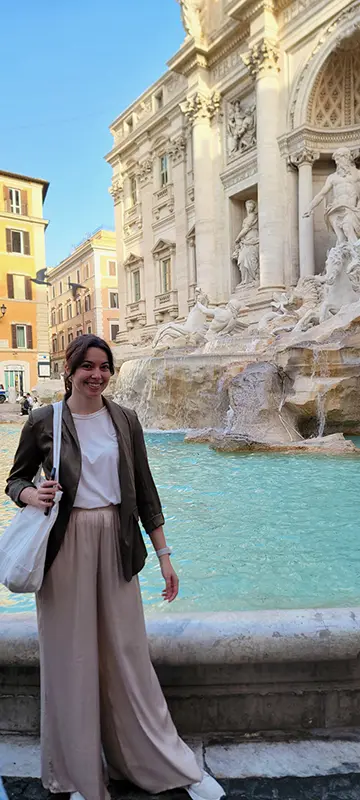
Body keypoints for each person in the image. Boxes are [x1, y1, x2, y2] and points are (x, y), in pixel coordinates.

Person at [6, 334, 224, 800]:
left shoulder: (124, 419)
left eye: (104, 366)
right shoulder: (46, 420)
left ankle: (155, 763)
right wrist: (31, 494)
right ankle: (76, 776)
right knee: (70, 660)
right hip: (64, 546)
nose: (96, 375)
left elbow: (145, 491)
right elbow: (15, 479)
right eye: (87, 366)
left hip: (117, 542)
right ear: (69, 369)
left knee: (127, 657)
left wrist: (165, 556)